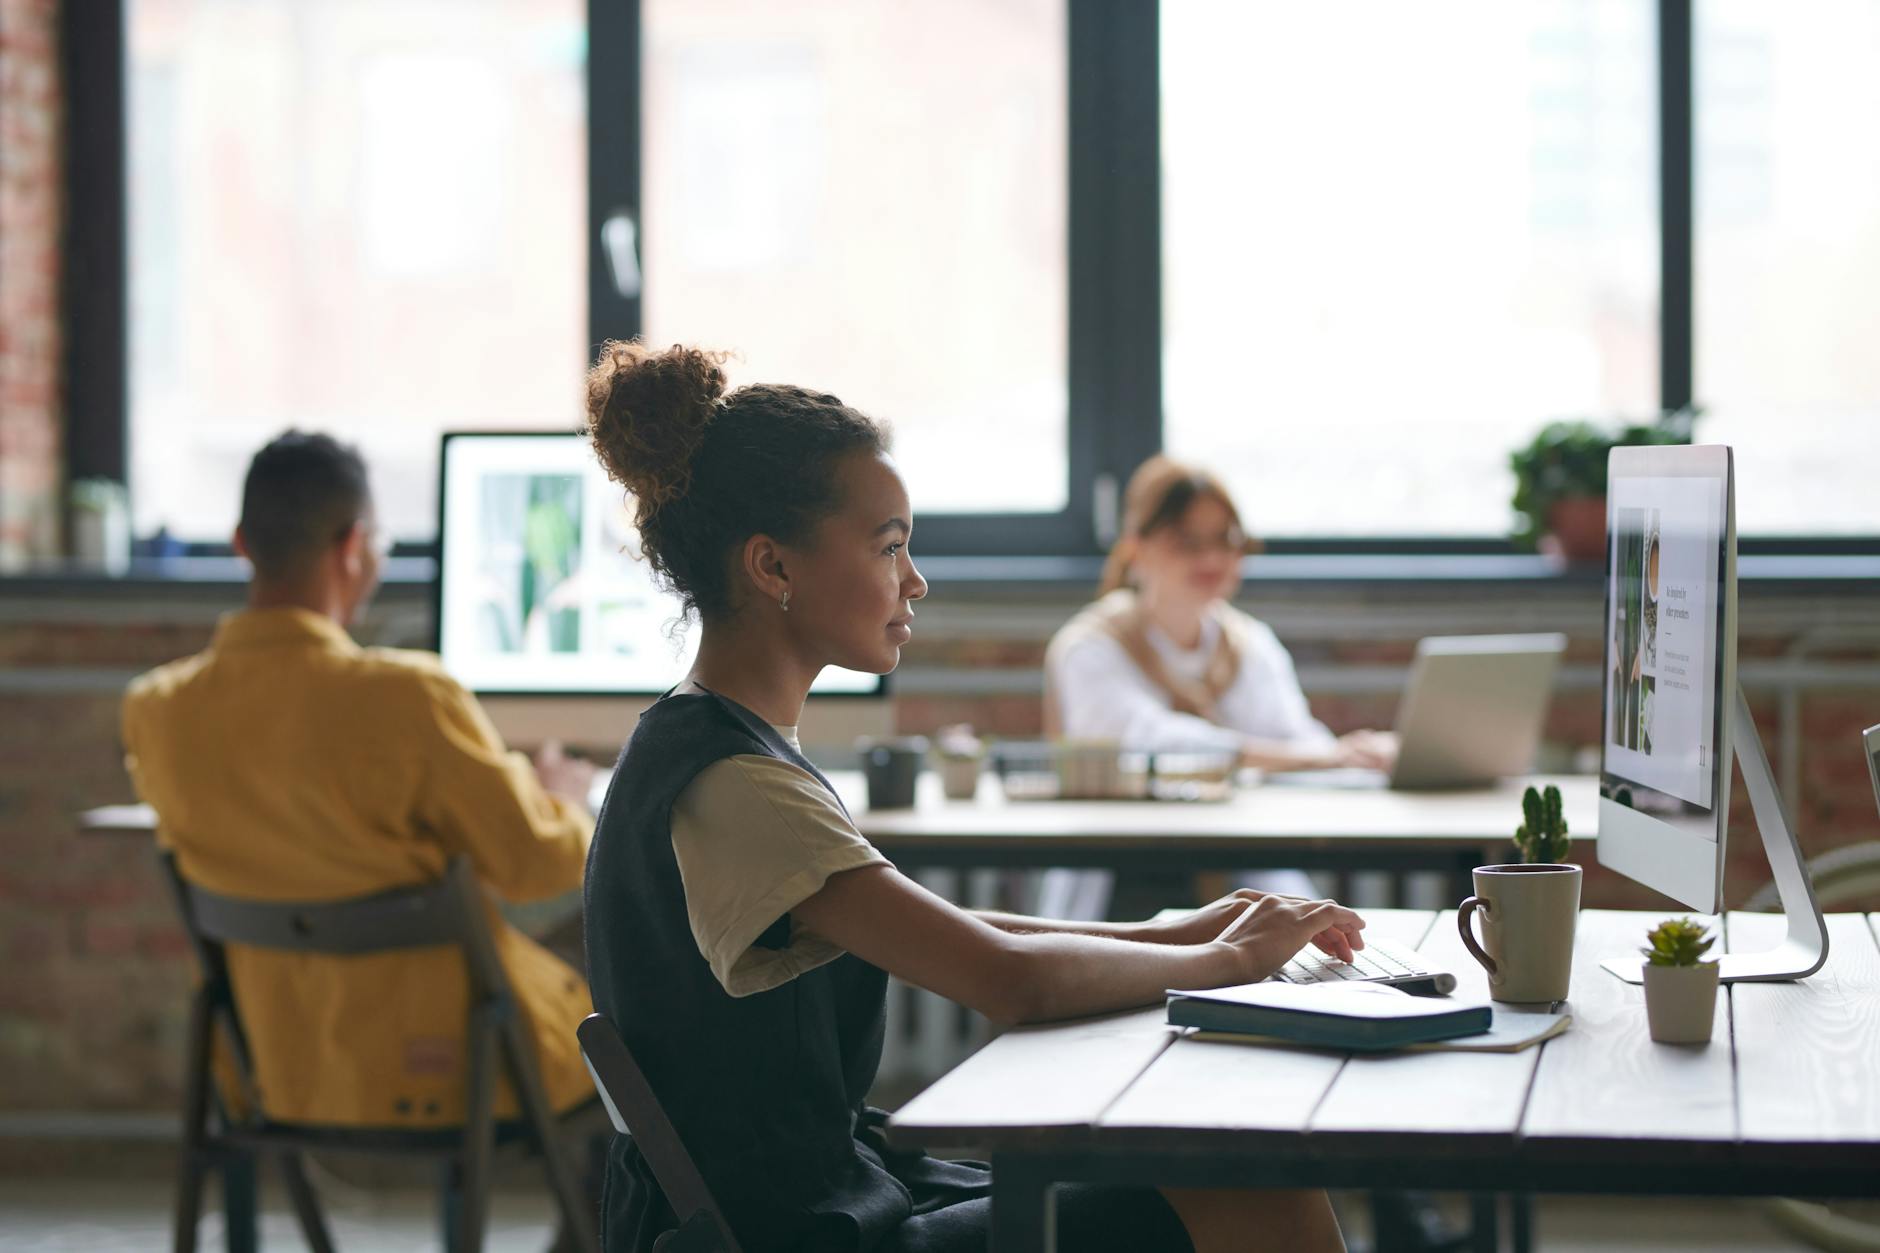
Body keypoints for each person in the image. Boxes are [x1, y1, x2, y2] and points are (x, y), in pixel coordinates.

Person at [582, 341, 1363, 1253]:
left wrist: (1192, 929)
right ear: (772, 567)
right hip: (804, 1233)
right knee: (1254, 1193)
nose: (915, 580)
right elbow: (1009, 979)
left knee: (1225, 1174)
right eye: (890, 546)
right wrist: (1227, 963)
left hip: (827, 1198)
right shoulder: (732, 784)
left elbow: (960, 930)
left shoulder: (720, 745)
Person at [122, 431, 598, 1130]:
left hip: (272, 1073)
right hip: (461, 1066)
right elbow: (535, 866)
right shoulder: (408, 697)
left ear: (241, 544)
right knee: (637, 1026)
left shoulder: (156, 709)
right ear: (352, 547)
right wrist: (562, 800)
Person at [1046, 454, 1395, 773]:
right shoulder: (1091, 646)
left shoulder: (1248, 642)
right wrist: (1322, 756)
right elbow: (1144, 745)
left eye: (1225, 540)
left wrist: (1360, 754)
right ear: (1136, 550)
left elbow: (1295, 738)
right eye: (1187, 541)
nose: (1211, 559)